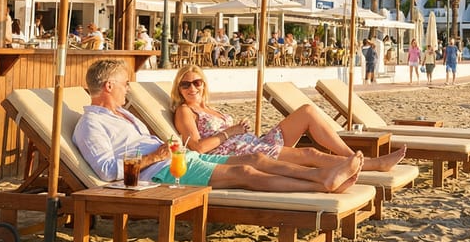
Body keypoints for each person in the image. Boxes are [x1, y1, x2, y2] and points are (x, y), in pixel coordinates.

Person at [73, 59, 362, 193]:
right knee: (246, 172)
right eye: (125, 84)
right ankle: (321, 184)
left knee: (256, 158)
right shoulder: (90, 125)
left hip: (180, 158)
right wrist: (156, 156)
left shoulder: (125, 115)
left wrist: (168, 150)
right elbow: (107, 171)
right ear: (109, 86)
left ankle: (325, 174)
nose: (128, 90)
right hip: (161, 172)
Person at [170, 65, 405, 172]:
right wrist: (229, 132)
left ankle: (350, 157)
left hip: (252, 142)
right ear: (179, 89)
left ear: (204, 84)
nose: (192, 88)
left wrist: (238, 128)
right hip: (236, 155)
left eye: (197, 82)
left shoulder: (210, 108)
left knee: (307, 111)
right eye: (186, 84)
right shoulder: (184, 111)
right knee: (309, 154)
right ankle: (373, 164)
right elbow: (198, 147)